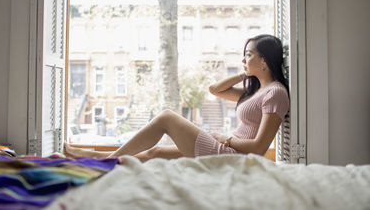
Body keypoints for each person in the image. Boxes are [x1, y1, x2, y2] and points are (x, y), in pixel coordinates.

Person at [64, 34, 290, 162]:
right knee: (156, 152)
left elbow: (260, 147)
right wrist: (245, 72)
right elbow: (214, 90)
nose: (243, 59)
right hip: (228, 147)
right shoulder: (255, 91)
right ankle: (94, 155)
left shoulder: (276, 93)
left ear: (264, 61)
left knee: (167, 118)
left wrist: (225, 138)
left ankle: (103, 162)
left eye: (248, 55)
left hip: (232, 154)